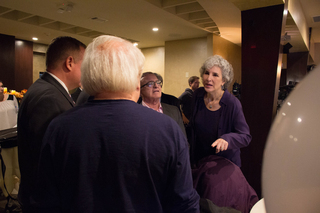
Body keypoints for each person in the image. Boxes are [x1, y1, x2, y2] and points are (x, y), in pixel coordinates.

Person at [34, 35, 199, 212]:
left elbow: (46, 201)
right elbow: (183, 203)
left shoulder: (60, 128)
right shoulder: (167, 129)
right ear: (136, 80)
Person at [17, 36, 86, 212]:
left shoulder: (47, 88)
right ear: (70, 62)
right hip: (47, 203)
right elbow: (48, 159)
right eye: (85, 64)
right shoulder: (49, 97)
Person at [189, 55, 251, 167]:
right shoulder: (197, 95)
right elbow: (192, 127)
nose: (208, 78)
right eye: (207, 73)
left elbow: (245, 136)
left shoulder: (232, 103)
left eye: (215, 75)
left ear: (223, 81)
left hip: (223, 166)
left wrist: (227, 139)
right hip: (199, 162)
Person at [140, 72, 186, 136]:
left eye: (158, 82)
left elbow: (183, 141)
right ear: (140, 90)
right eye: (150, 83)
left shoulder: (174, 111)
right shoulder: (133, 113)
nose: (156, 86)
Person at [0, 80, 20, 198]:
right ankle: (7, 193)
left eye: (2, 86)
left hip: (14, 137)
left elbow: (18, 114)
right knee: (6, 167)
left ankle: (17, 191)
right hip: (1, 141)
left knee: (16, 165)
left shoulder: (12, 99)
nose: (1, 89)